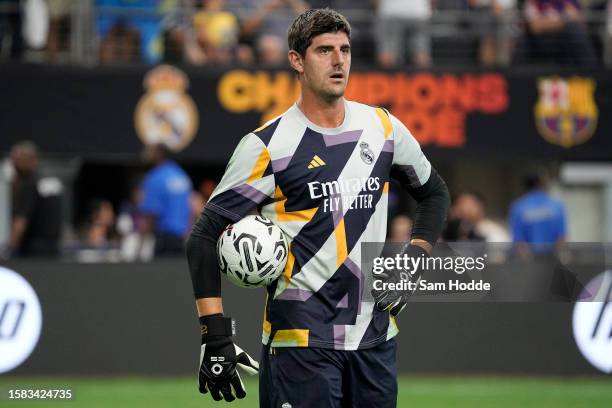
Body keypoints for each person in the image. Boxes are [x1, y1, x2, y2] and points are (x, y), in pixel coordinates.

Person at [186, 8, 450, 406]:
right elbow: (204, 236)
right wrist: (215, 333)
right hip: (298, 344)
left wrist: (414, 258)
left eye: (344, 49)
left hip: (374, 340)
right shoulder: (266, 146)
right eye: (324, 50)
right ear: (296, 60)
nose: (339, 60)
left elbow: (435, 193)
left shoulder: (383, 129)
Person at [6, 141, 63, 258]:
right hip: (53, 249)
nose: (14, 165)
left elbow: (21, 220)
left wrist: (9, 249)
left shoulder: (29, 183)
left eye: (17, 160)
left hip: (31, 250)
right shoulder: (49, 179)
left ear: (28, 159)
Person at [140, 143, 192, 256]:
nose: (146, 154)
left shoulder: (155, 178)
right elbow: (192, 208)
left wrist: (141, 243)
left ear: (159, 154)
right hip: (182, 239)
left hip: (164, 239)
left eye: (150, 151)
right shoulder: (181, 175)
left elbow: (151, 214)